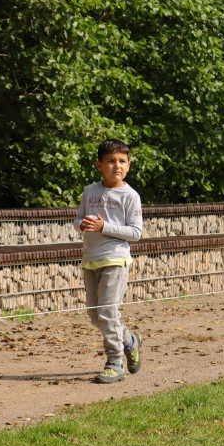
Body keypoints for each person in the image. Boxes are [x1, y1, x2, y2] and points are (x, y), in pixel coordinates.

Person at [76, 139, 144, 384]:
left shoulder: (130, 196)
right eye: (111, 161)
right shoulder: (90, 191)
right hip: (91, 260)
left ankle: (115, 363)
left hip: (116, 259)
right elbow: (78, 221)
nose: (117, 166)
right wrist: (83, 224)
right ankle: (129, 340)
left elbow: (136, 233)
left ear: (129, 165)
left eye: (122, 161)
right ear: (99, 165)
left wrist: (104, 226)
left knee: (107, 313)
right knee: (96, 317)